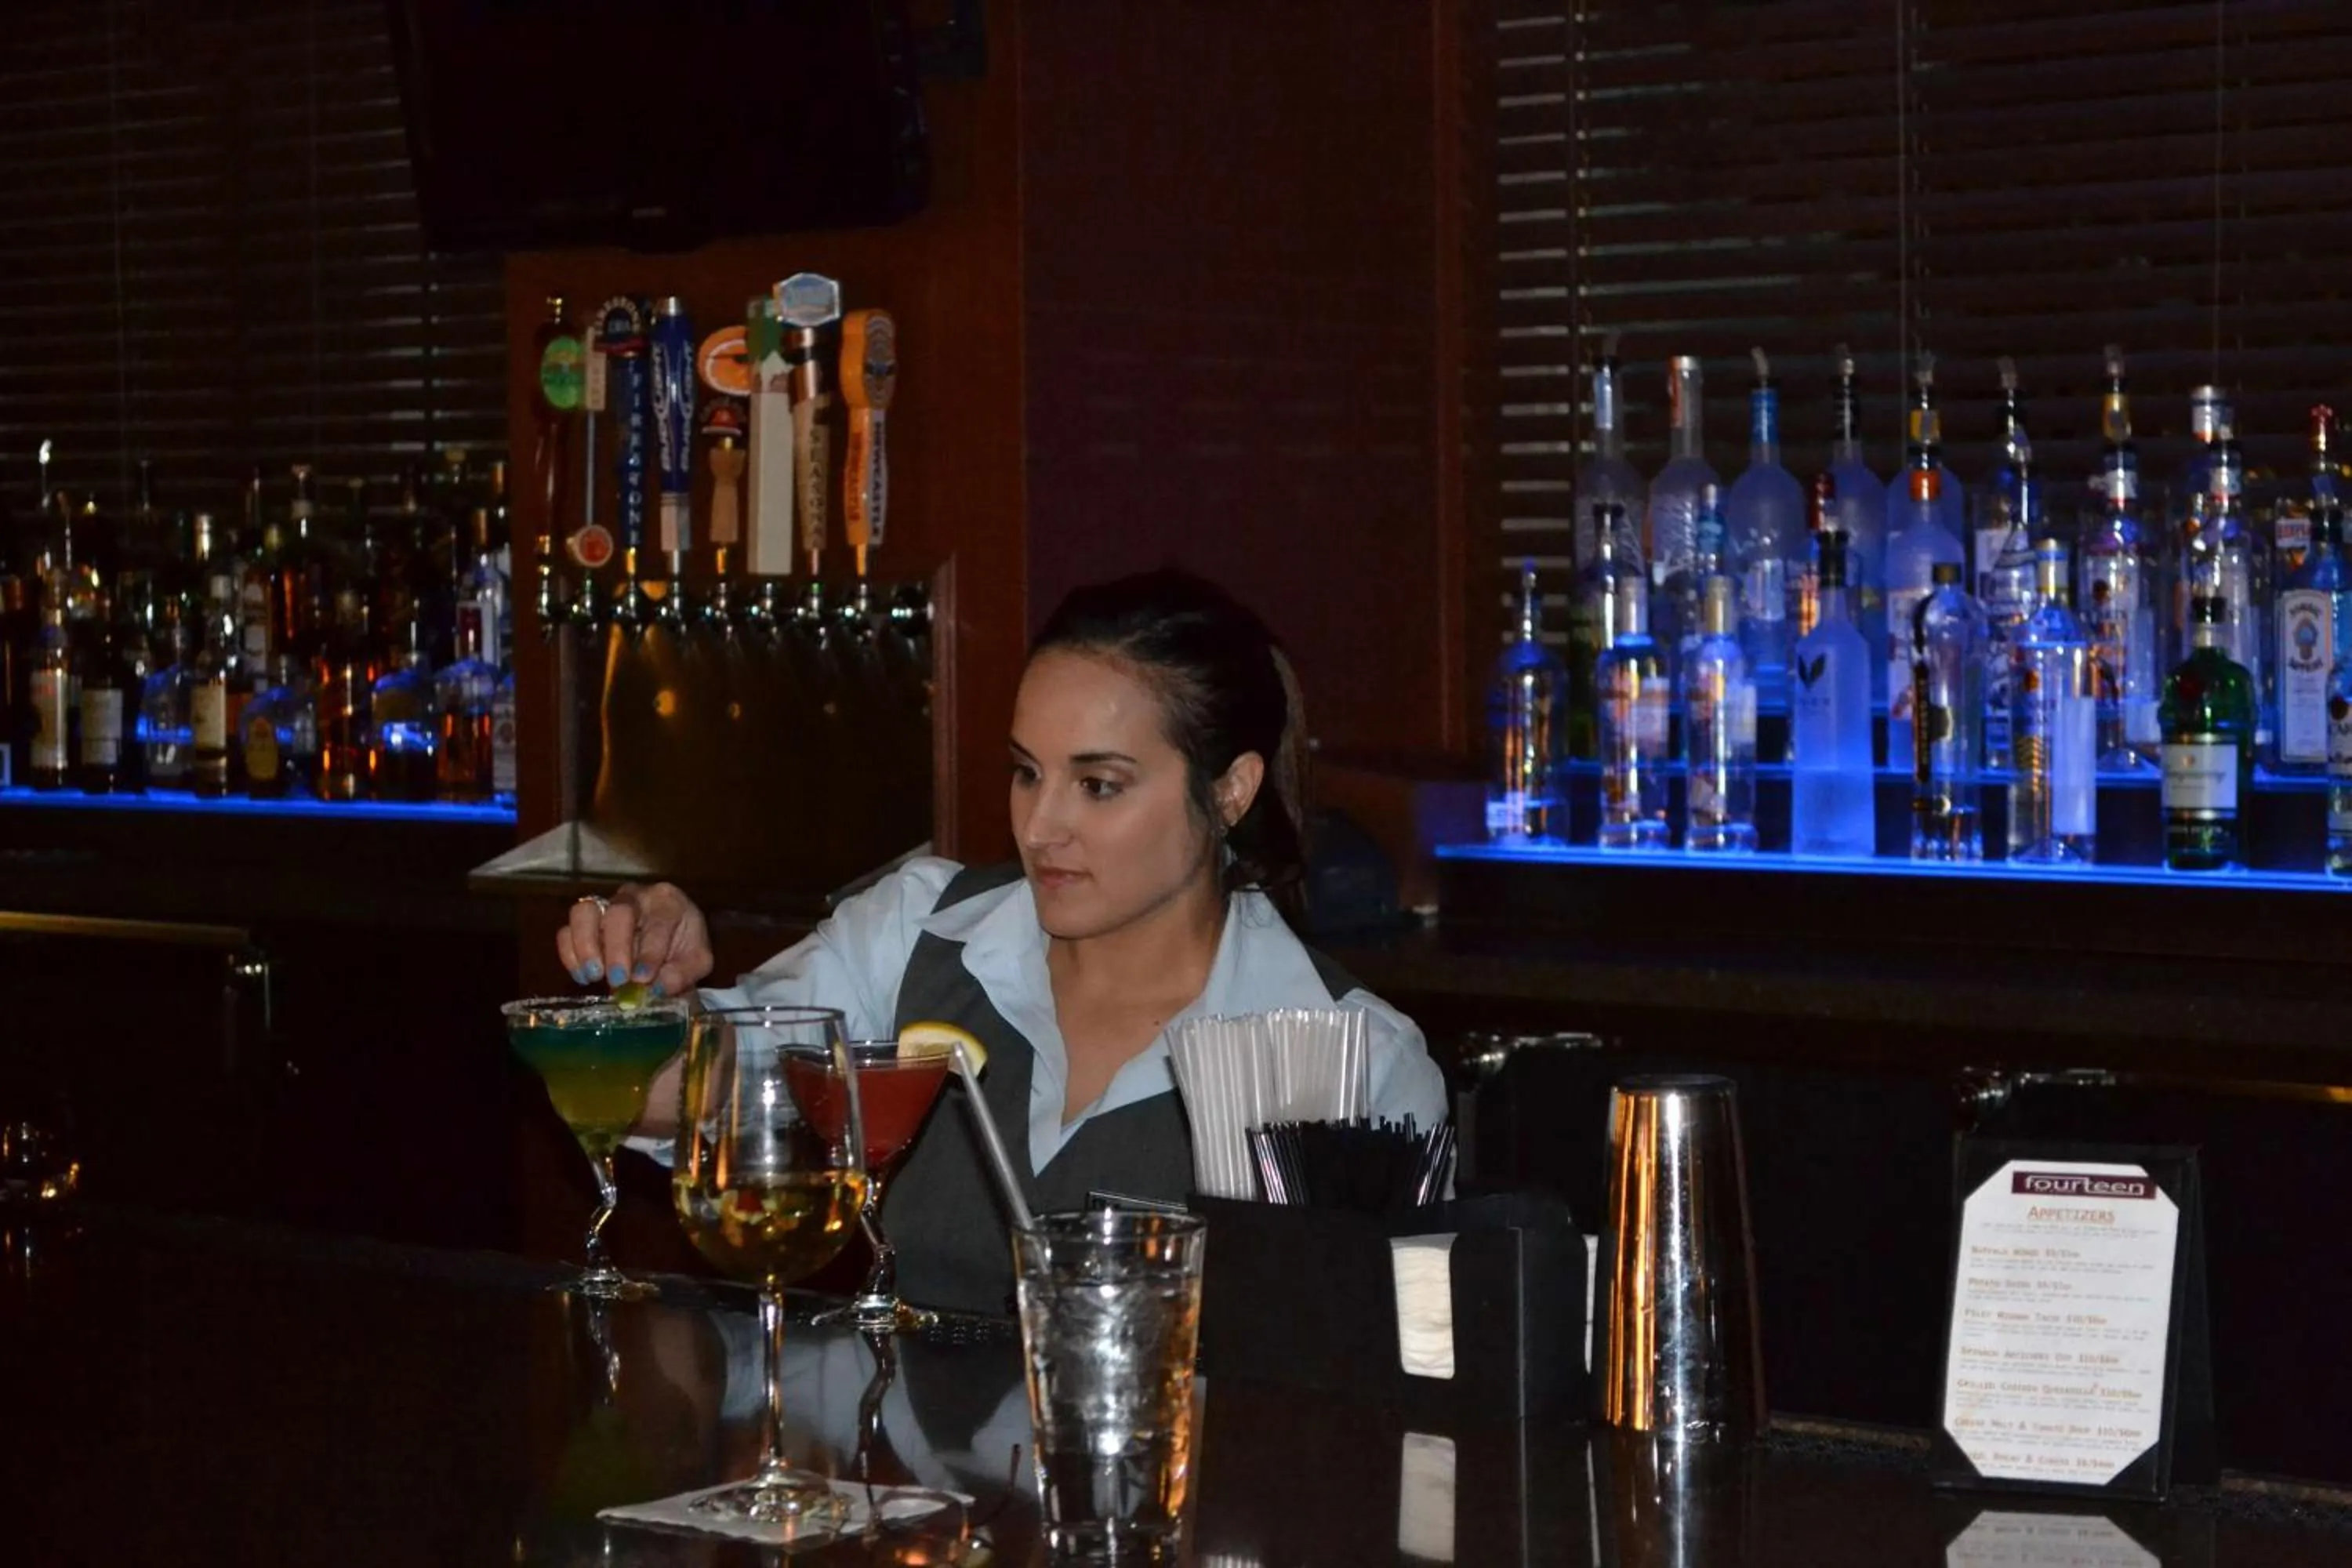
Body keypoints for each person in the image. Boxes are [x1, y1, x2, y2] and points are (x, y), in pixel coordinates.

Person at [557, 568, 1448, 1315]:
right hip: (912, 1510)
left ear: (1231, 791)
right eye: (1027, 772)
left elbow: (1391, 1392)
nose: (1040, 826)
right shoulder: (918, 934)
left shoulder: (1352, 1063)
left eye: (1099, 785)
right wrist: (654, 991)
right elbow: (666, 1098)